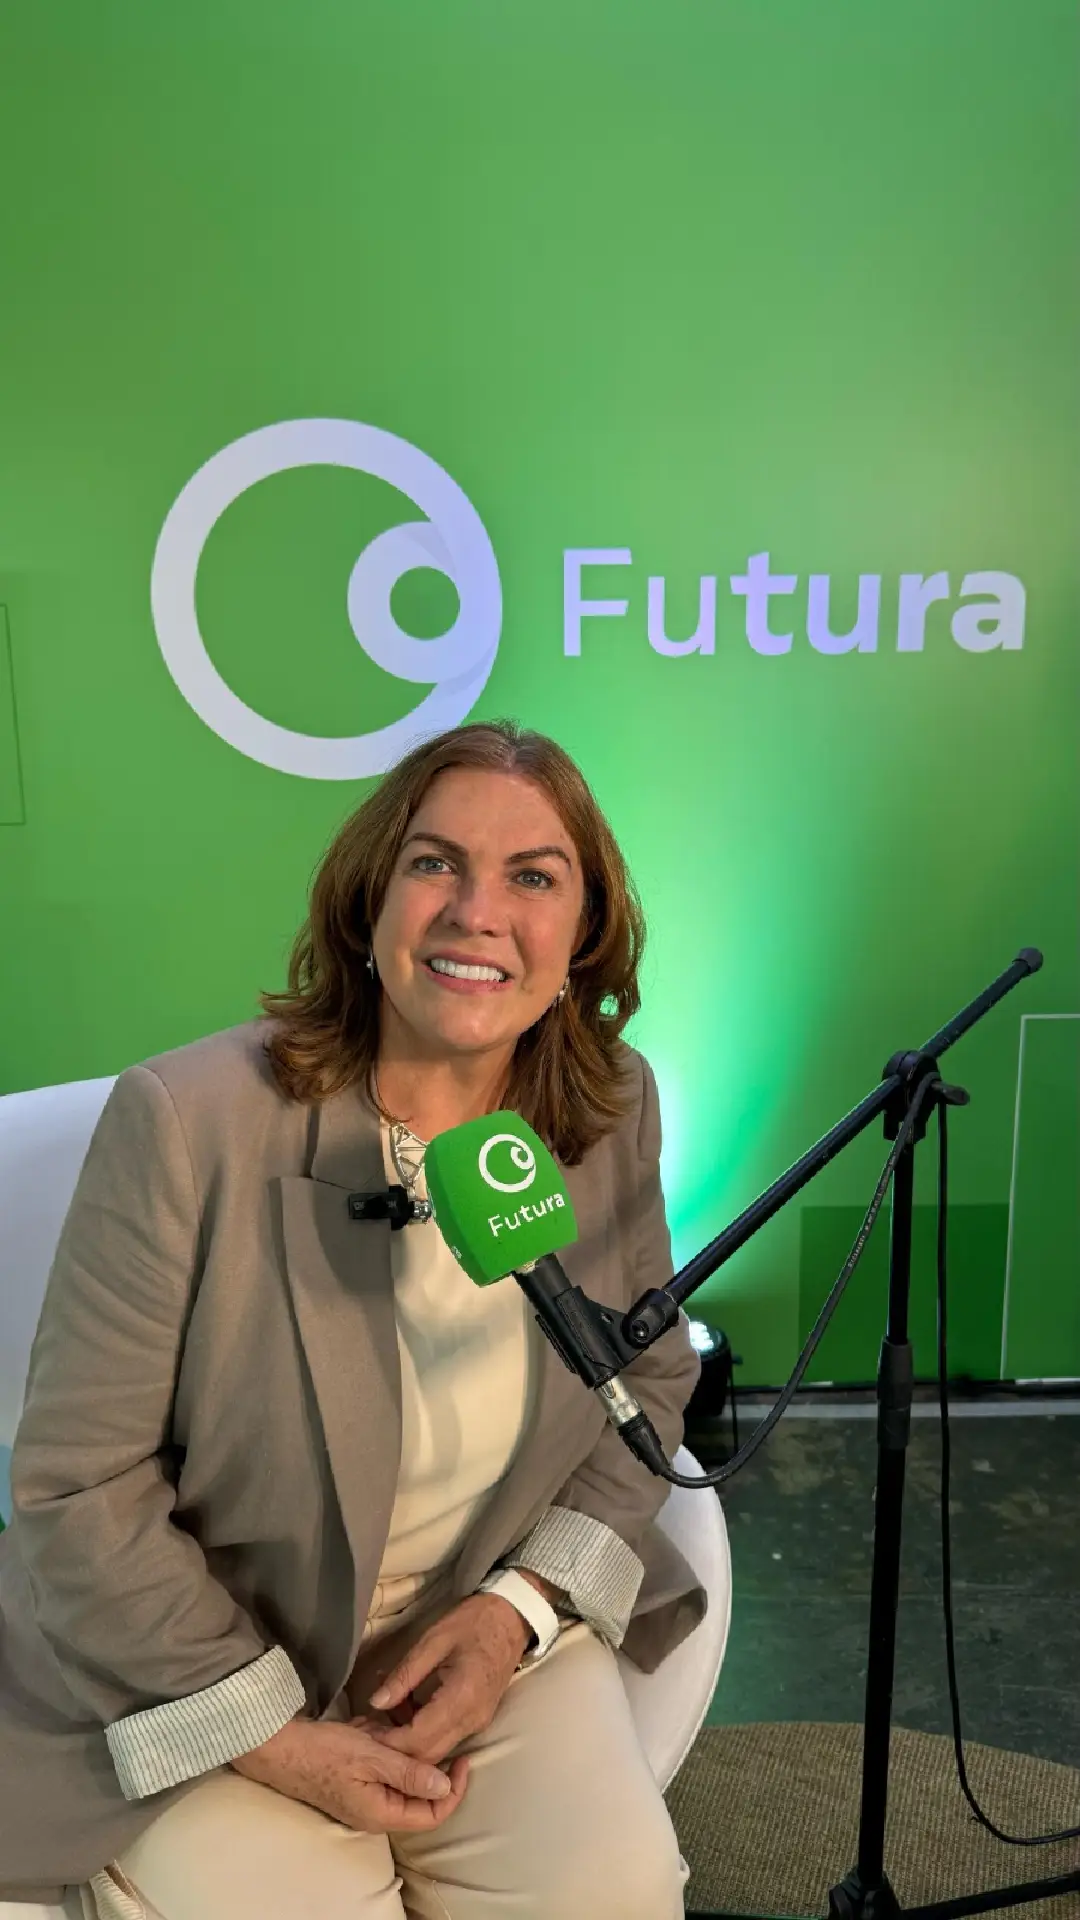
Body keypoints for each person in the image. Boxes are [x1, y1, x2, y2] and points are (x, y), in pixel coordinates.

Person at [0, 720, 705, 1919]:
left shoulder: (607, 1104)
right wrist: (267, 1731)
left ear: (583, 934)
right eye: (436, 864)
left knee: (618, 1894)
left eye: (533, 877)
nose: (478, 913)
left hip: (472, 1622)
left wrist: (515, 1616)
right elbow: (79, 1485)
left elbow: (645, 1381)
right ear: (369, 900)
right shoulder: (188, 1124)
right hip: (199, 1654)